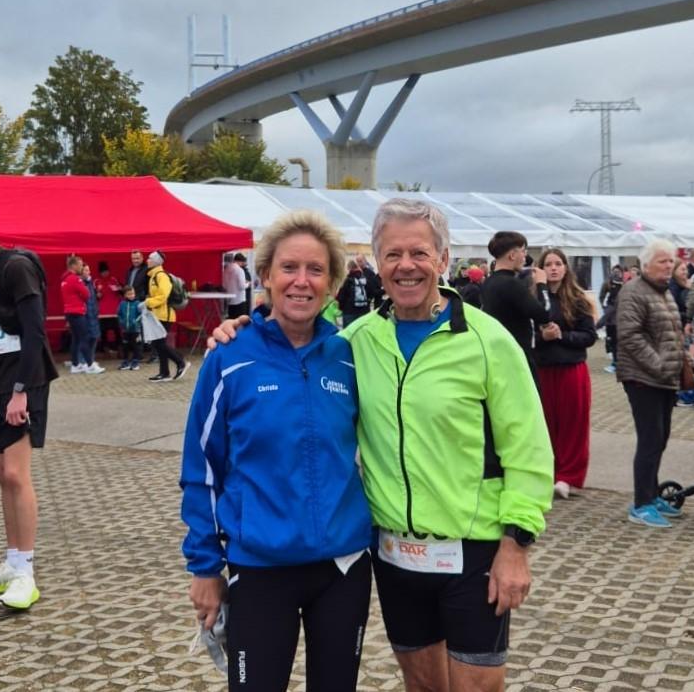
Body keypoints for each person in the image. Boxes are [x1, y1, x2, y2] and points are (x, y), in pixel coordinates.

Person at [212, 200, 553, 692]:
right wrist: (244, 329)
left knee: (478, 687)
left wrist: (517, 544)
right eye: (393, 254)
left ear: (443, 259)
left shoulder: (489, 341)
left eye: (419, 253)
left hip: (474, 552)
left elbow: (529, 449)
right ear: (377, 262)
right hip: (395, 556)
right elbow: (296, 345)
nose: (406, 265)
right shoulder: (355, 342)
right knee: (423, 686)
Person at [181, 210, 372, 691]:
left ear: (332, 283)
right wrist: (204, 566)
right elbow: (202, 469)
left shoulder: (350, 356)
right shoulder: (229, 358)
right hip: (260, 567)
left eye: (316, 270)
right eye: (289, 267)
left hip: (343, 567)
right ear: (265, 274)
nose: (301, 281)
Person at [0, 199, 59, 609]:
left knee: (16, 473)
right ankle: (12, 561)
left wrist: (21, 391)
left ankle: (25, 572)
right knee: (1, 473)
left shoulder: (16, 267)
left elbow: (35, 333)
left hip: (21, 382)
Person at [616, 239, 683, 528]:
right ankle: (641, 504)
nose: (669, 266)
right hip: (643, 378)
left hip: (665, 378)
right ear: (646, 264)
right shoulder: (634, 291)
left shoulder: (663, 291)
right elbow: (630, 336)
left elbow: (672, 335)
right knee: (650, 439)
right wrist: (659, 364)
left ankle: (652, 494)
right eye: (662, 261)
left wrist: (685, 362)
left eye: (671, 261)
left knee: (660, 437)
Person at [534, 249, 597, 500]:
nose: (553, 268)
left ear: (565, 268)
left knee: (573, 425)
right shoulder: (533, 299)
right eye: (548, 264)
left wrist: (562, 335)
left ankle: (568, 476)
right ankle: (547, 472)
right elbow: (524, 335)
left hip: (571, 369)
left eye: (558, 263)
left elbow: (589, 336)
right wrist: (542, 337)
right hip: (543, 369)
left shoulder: (578, 300)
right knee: (545, 424)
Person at [480, 231, 552, 386]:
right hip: (518, 358)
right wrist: (542, 284)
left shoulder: (488, 282)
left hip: (497, 356)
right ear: (512, 255)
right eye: (523, 251)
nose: (525, 256)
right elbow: (544, 314)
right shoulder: (511, 284)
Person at [145, 251, 190, 382]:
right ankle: (164, 372)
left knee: (159, 343)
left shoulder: (161, 276)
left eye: (149, 258)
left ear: (156, 261)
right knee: (158, 344)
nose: (147, 260)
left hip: (165, 315)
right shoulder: (154, 276)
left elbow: (163, 296)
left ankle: (180, 362)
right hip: (158, 314)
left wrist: (148, 302)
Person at [60, 255, 103, 374]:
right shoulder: (74, 278)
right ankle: (90, 365)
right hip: (77, 312)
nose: (81, 267)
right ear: (73, 265)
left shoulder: (65, 278)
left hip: (69, 311)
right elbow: (86, 293)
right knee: (84, 338)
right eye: (80, 265)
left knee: (76, 339)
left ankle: (75, 364)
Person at [598, 265, 624, 374]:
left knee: (617, 342)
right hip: (612, 320)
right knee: (613, 341)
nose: (617, 274)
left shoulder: (624, 285)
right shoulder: (607, 284)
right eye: (615, 271)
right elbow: (602, 297)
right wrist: (604, 307)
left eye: (618, 272)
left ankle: (617, 364)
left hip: (618, 319)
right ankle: (616, 362)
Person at [82, 264, 105, 374]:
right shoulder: (81, 283)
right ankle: (85, 362)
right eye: (86, 270)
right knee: (86, 339)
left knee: (94, 337)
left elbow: (93, 298)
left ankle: (90, 359)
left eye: (89, 270)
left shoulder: (90, 282)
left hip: (93, 313)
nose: (88, 272)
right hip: (85, 314)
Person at [94, 261, 122, 354]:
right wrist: (97, 295)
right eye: (103, 272)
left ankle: (119, 348)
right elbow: (93, 296)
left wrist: (118, 289)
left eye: (106, 271)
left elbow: (121, 291)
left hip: (114, 310)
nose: (105, 273)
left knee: (117, 329)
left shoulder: (114, 280)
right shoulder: (96, 281)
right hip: (102, 311)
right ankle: (104, 349)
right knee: (103, 331)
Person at [337, 259, 373, 327]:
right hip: (364, 311)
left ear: (349, 268)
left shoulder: (348, 280)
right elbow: (371, 292)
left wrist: (341, 308)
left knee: (348, 332)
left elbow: (341, 296)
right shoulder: (364, 279)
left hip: (349, 311)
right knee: (361, 331)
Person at [117, 285, 143, 370]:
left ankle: (135, 362)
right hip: (125, 330)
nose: (132, 295)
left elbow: (141, 315)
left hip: (136, 330)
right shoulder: (122, 304)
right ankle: (126, 362)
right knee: (125, 346)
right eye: (129, 294)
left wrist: (136, 322)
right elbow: (119, 314)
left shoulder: (138, 304)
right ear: (125, 295)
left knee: (136, 346)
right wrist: (121, 322)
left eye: (133, 293)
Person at [222, 253, 247, 318]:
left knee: (232, 320)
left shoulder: (226, 270)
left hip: (230, 301)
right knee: (240, 321)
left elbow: (224, 285)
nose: (242, 264)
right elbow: (242, 286)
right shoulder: (240, 270)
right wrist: (248, 284)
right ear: (240, 261)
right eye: (242, 262)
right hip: (239, 300)